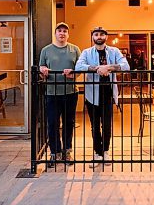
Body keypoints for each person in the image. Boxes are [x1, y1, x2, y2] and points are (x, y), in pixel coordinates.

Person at [75, 27, 130, 167]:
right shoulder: (86, 52)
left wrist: (108, 67)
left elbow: (125, 66)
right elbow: (79, 66)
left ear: (106, 37)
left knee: (106, 125)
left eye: (102, 34)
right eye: (96, 34)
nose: (99, 36)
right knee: (94, 126)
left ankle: (105, 151)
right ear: (93, 37)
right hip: (92, 94)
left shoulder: (114, 51)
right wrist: (97, 68)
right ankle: (97, 153)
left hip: (108, 93)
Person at [39, 22, 81, 167]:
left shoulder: (75, 49)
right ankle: (54, 153)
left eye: (64, 31)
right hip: (51, 93)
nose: (62, 33)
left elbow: (80, 70)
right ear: (55, 34)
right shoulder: (46, 50)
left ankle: (67, 152)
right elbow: (41, 68)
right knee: (52, 123)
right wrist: (43, 70)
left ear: (68, 34)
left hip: (70, 92)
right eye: (59, 31)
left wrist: (74, 74)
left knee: (69, 123)